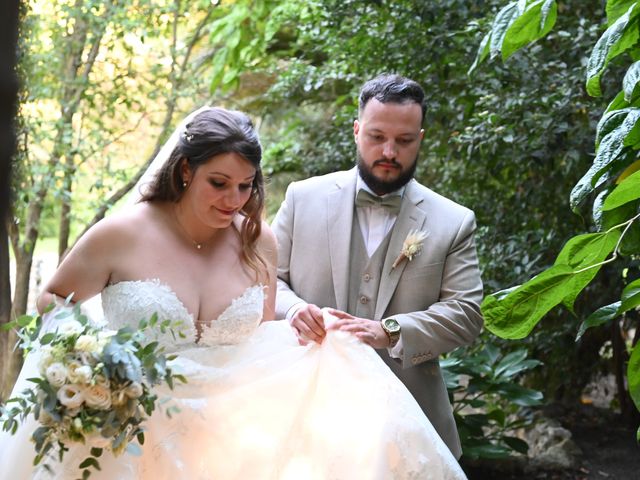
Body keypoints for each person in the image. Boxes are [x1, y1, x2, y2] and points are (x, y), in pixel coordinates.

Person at [0, 106, 466, 479]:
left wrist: (299, 320)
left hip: (227, 437)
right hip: (131, 431)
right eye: (219, 184)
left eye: (246, 186)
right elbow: (52, 301)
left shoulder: (257, 240)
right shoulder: (119, 235)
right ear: (185, 170)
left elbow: (259, 341)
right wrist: (95, 359)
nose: (234, 200)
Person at [272, 73, 484, 459]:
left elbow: (466, 313)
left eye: (404, 141)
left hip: (408, 423)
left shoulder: (454, 221)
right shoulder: (302, 199)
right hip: (302, 409)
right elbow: (263, 280)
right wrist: (293, 309)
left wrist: (390, 331)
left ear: (419, 139)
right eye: (376, 137)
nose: (389, 151)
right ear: (356, 131)